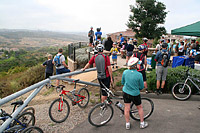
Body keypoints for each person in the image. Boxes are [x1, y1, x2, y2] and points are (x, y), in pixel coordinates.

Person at [122, 57, 148, 130]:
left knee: (127, 108)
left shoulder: (125, 72)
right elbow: (141, 86)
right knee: (139, 107)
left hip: (126, 92)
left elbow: (123, 82)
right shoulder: (139, 74)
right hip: (135, 93)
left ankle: (127, 124)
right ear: (136, 65)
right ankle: (142, 123)